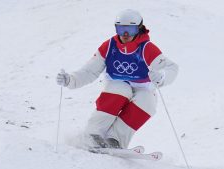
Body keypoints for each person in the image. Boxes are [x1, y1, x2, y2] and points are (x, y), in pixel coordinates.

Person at [56, 9, 178, 149]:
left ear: (138, 29)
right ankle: (92, 134)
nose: (125, 34)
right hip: (116, 83)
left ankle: (115, 140)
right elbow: (89, 71)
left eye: (130, 30)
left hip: (142, 87)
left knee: (148, 101)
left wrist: (162, 76)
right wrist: (70, 80)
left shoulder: (147, 48)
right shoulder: (109, 46)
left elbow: (172, 68)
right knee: (121, 89)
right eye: (121, 29)